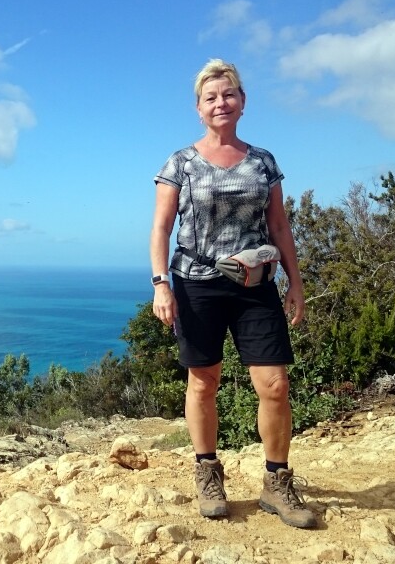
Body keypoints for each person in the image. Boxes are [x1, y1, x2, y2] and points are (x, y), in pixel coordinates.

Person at [149, 59, 315, 529]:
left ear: (242, 101)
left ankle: (276, 482)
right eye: (211, 97)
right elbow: (161, 228)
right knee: (203, 382)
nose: (221, 103)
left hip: (255, 284)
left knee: (275, 385)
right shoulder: (180, 163)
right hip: (196, 283)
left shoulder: (263, 162)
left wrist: (295, 281)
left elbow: (279, 224)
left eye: (229, 95)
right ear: (199, 108)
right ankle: (207, 472)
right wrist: (162, 283)